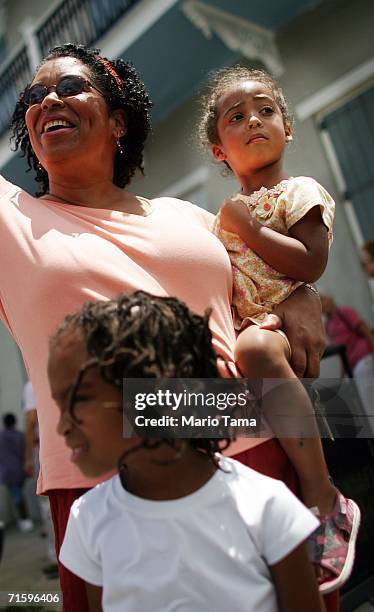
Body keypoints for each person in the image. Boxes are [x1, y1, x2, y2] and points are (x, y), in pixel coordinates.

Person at [1, 42, 328, 610]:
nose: (48, 98)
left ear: (118, 120)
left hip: (255, 451)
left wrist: (303, 294)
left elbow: (266, 283)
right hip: (102, 485)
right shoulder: (13, 222)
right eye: (34, 95)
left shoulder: (189, 217)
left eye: (71, 87)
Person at [49, 290, 324, 612]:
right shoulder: (88, 520)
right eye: (59, 405)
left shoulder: (267, 506)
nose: (61, 427)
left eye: (78, 400)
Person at [197, 66, 360, 593]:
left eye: (266, 110)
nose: (254, 122)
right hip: (251, 335)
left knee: (257, 349)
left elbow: (310, 264)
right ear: (219, 149)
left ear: (288, 129)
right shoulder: (213, 221)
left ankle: (325, 496)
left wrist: (247, 225)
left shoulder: (298, 193)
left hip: (279, 336)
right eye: (236, 117)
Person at [321, 294, 374, 436]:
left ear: (331, 299)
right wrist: (342, 376)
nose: (323, 304)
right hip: (352, 366)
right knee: (364, 404)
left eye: (324, 299)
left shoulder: (344, 312)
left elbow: (365, 330)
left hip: (363, 360)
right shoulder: (328, 325)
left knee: (368, 403)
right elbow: (341, 353)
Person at [23, 380, 58, 578]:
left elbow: (30, 421)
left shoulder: (32, 384)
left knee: (47, 506)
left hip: (44, 452)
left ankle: (55, 556)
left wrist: (27, 457)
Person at [0, 413, 33, 532]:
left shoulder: (1, 436)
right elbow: (25, 453)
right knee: (19, 495)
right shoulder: (20, 436)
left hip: (6, 472)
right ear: (14, 422)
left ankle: (24, 520)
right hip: (19, 471)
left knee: (17, 496)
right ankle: (25, 520)